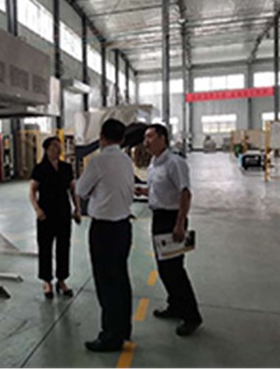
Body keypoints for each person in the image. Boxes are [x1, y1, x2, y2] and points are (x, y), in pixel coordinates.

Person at [135, 124, 203, 336]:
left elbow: (185, 193)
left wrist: (180, 223)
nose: (146, 142)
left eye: (150, 137)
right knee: (164, 268)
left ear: (163, 138)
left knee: (175, 270)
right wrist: (143, 191)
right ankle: (175, 306)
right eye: (145, 138)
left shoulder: (175, 163)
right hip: (158, 218)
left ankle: (192, 316)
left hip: (172, 219)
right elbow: (159, 190)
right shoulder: (154, 163)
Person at [76, 119, 135, 352]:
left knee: (106, 282)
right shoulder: (127, 160)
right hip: (123, 227)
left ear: (102, 136)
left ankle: (110, 336)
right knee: (121, 278)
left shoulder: (98, 161)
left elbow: (81, 190)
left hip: (104, 230)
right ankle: (123, 329)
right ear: (122, 139)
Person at [29, 136, 81, 299]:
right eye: (54, 146)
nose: (57, 149)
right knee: (45, 247)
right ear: (46, 149)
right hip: (45, 214)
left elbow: (73, 190)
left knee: (63, 247)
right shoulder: (40, 168)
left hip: (63, 212)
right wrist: (37, 209)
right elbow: (32, 191)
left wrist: (77, 209)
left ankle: (61, 280)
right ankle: (47, 281)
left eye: (59, 146)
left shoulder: (66, 168)